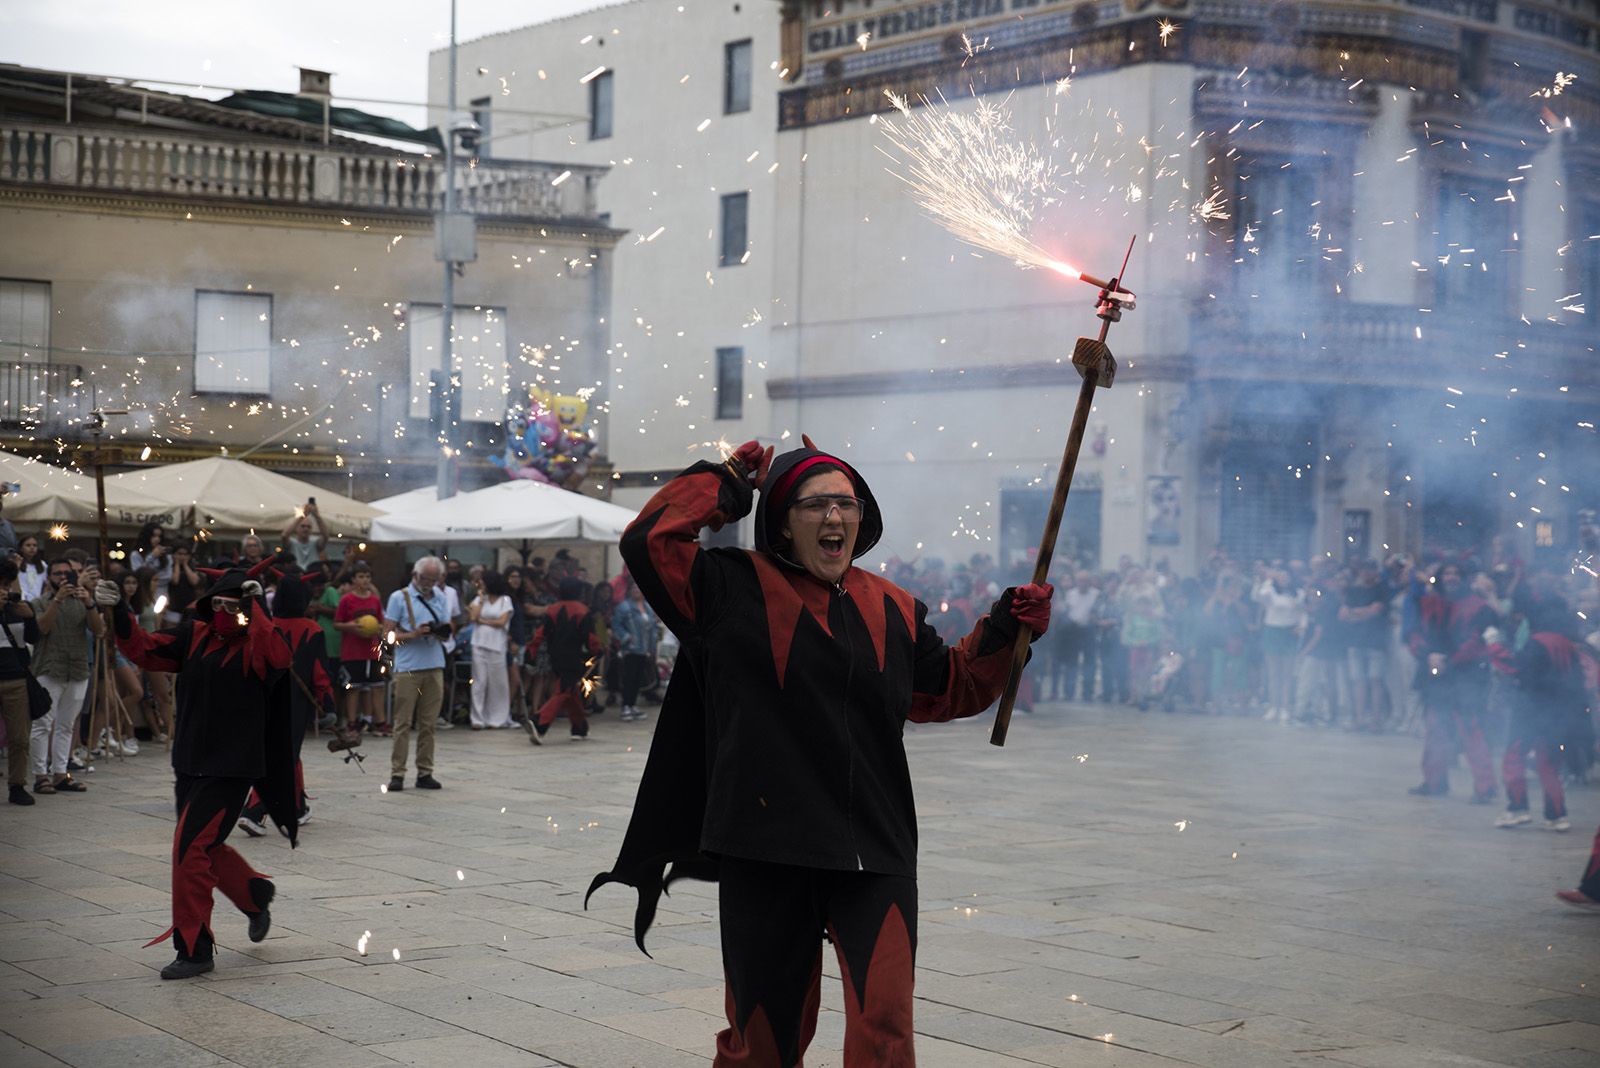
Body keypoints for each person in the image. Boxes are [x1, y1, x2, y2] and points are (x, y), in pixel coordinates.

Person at [588, 437, 1051, 1067]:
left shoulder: (895, 606)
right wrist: (725, 483)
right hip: (766, 850)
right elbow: (650, 541)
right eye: (814, 505)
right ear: (780, 519)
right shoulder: (726, 589)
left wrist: (1008, 626)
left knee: (885, 1027)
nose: (834, 517)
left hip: (877, 850)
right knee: (763, 1043)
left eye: (846, 504)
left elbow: (954, 685)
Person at [100, 566, 295, 978]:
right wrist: (119, 609)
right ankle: (254, 892)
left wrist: (258, 609)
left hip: (232, 768)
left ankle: (194, 949)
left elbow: (277, 657)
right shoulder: (193, 634)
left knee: (188, 853)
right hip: (189, 761)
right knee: (202, 847)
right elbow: (144, 649)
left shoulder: (259, 641)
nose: (226, 612)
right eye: (220, 604)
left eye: (235, 606)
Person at [239, 575, 332, 836]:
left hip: (263, 698)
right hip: (294, 704)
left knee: (286, 753)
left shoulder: (267, 625)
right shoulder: (312, 629)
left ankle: (298, 806)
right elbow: (320, 673)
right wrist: (328, 706)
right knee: (282, 756)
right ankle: (254, 811)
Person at [1406, 561, 1497, 802]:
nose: (1451, 577)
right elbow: (1415, 635)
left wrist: (1448, 660)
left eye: (1456, 573)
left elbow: (1477, 641)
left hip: (1465, 677)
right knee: (1436, 729)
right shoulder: (1428, 604)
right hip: (1436, 676)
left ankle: (1485, 787)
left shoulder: (1478, 607)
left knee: (1470, 731)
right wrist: (1428, 656)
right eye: (1447, 573)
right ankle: (1434, 781)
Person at [1487, 627, 1587, 832]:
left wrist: (1494, 646)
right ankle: (1557, 815)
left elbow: (1515, 667)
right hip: (1558, 713)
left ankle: (1517, 808)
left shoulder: (1538, 642)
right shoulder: (1569, 645)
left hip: (1529, 711)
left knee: (1514, 757)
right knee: (1549, 763)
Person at [28, 556, 103, 796]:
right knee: (42, 724)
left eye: (66, 574)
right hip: (49, 668)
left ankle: (60, 773)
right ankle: (41, 776)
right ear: (49, 578)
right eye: (57, 574)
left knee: (66, 725)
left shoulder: (82, 600)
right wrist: (57, 599)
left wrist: (90, 603)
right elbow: (43, 628)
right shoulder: (39, 602)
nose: (62, 578)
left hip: (78, 668)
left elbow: (99, 630)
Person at [382, 557, 449, 792]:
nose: (429, 584)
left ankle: (425, 772)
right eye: (425, 579)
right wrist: (413, 634)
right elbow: (387, 636)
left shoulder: (441, 597)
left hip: (434, 664)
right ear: (415, 575)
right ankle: (397, 773)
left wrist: (441, 632)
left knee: (428, 724)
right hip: (408, 666)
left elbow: (447, 628)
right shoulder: (399, 598)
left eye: (434, 579)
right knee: (403, 723)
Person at [525, 577, 601, 742]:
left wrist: (531, 650)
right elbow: (590, 638)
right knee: (564, 691)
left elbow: (541, 633)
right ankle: (539, 722)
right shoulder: (583, 611)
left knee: (570, 692)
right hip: (574, 658)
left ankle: (579, 727)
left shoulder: (552, 609)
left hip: (555, 657)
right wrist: (598, 651)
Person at [0, 557, 39, 805]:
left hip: (15, 678)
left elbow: (34, 638)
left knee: (19, 737)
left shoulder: (15, 607)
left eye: (6, 584)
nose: (4, 589)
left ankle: (17, 785)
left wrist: (30, 617)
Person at [334, 561, 388, 736]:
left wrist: (377, 628)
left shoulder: (374, 600)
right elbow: (337, 624)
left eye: (367, 576)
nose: (364, 580)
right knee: (354, 688)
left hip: (372, 650)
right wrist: (351, 626)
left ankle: (380, 722)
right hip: (352, 652)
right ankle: (352, 722)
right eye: (360, 576)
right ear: (353, 579)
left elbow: (381, 622)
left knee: (377, 686)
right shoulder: (346, 600)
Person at [1254, 567, 1304, 723]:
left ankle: (1284, 707)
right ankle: (1272, 707)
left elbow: (1302, 613)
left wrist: (1301, 626)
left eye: (1286, 576)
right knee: (1273, 674)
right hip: (1272, 631)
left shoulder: (1299, 593)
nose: (1283, 578)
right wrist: (1265, 580)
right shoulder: (1270, 591)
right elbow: (1258, 596)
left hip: (1289, 633)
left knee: (1287, 674)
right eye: (1280, 576)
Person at [467, 569, 513, 729]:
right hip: (479, 644)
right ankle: (477, 718)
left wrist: (484, 621)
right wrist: (480, 598)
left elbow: (502, 622)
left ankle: (497, 718)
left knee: (497, 683)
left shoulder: (505, 600)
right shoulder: (480, 599)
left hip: (497, 645)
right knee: (479, 682)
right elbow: (473, 618)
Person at [611, 581, 658, 722]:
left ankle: (632, 705)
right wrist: (626, 637)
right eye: (634, 588)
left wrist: (652, 648)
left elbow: (653, 628)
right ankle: (626, 706)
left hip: (644, 650)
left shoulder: (648, 608)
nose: (637, 590)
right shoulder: (624, 607)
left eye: (639, 588)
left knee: (638, 679)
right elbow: (616, 625)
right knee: (629, 678)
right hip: (631, 649)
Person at [1054, 571, 1099, 702]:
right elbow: (1067, 612)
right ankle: (1069, 692)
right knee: (1071, 662)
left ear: (1089, 582)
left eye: (1085, 581)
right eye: (1080, 581)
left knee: (1089, 662)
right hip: (1073, 631)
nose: (1082, 584)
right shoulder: (1071, 594)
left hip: (1089, 630)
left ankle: (1088, 693)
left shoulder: (1096, 594)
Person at [127, 522, 174, 601]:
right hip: (144, 596)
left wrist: (152, 580)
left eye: (159, 536)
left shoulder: (165, 555)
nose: (157, 539)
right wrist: (151, 557)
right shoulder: (136, 554)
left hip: (162, 596)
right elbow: (139, 575)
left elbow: (168, 577)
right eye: (154, 536)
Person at [280, 503, 327, 571]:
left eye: (309, 527)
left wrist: (317, 516)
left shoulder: (315, 542)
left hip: (312, 573)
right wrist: (302, 516)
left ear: (311, 530)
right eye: (303, 526)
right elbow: (284, 535)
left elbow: (325, 536)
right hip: (296, 574)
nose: (306, 529)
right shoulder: (292, 543)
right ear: (296, 528)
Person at [17, 534, 47, 601]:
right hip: (20, 600)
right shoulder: (16, 563)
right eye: (28, 545)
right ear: (21, 548)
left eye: (34, 545)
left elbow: (47, 584)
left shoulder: (43, 565)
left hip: (36, 601)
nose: (32, 547)